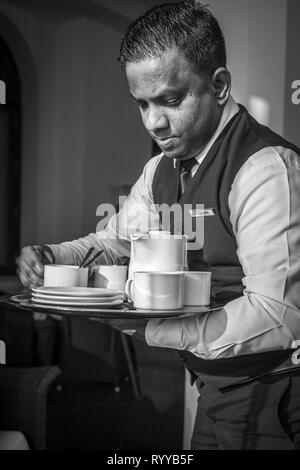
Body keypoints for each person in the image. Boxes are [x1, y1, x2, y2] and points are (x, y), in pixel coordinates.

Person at [16, 1, 300, 450]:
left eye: (170, 100)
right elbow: (113, 241)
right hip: (214, 386)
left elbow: (278, 314)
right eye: (142, 103)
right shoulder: (160, 171)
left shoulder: (264, 169)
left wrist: (151, 331)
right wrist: (53, 256)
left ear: (220, 86)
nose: (154, 123)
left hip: (275, 396)